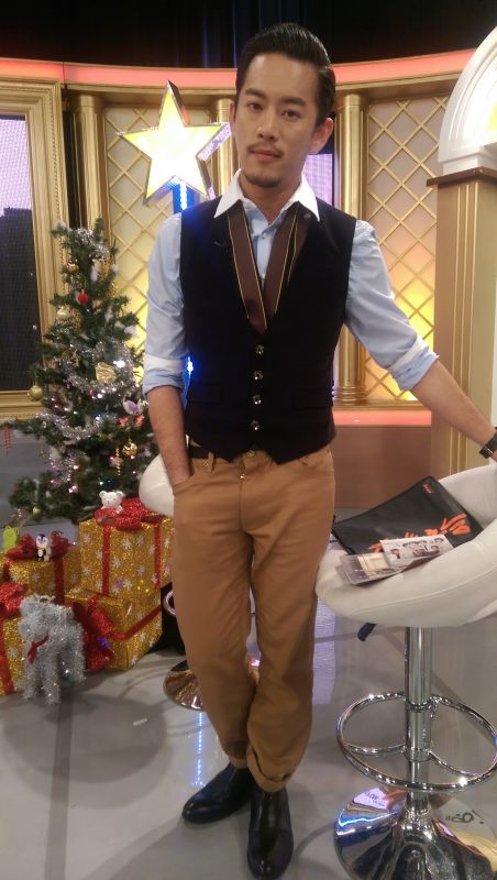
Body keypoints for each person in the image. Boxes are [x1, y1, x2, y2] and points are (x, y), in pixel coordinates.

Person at [143, 21, 497, 879]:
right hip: (207, 474)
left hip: (300, 477)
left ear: (319, 130)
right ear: (235, 114)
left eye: (290, 111)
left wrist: (490, 433)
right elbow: (159, 368)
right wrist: (182, 477)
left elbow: (406, 356)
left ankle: (267, 781)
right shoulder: (179, 237)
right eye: (254, 105)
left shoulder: (348, 241)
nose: (268, 127)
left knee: (289, 646)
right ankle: (243, 757)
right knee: (213, 651)